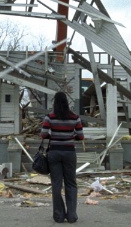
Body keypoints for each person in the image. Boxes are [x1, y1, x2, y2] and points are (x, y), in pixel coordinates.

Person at [40, 91, 84, 223]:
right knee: (71, 183)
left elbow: (43, 135)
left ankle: (58, 216)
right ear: (67, 102)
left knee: (56, 184)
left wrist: (53, 136)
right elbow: (81, 136)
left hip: (54, 153)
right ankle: (71, 215)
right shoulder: (75, 118)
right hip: (69, 153)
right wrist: (70, 136)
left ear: (54, 102)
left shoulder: (50, 117)